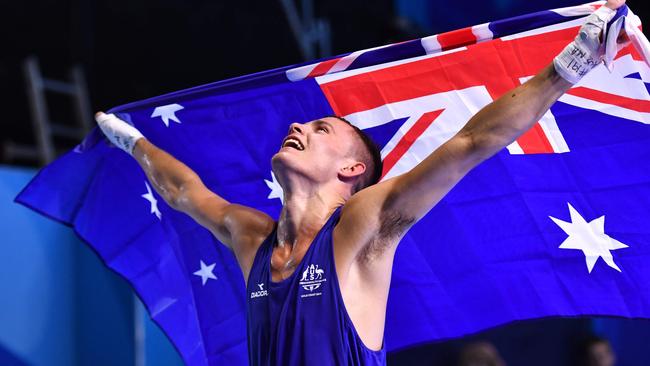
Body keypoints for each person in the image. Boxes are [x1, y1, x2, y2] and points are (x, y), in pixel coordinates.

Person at [95, 1, 628, 364]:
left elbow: (471, 143)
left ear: (352, 171)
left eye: (319, 127)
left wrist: (571, 63)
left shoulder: (364, 227)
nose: (297, 126)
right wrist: (131, 142)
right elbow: (184, 192)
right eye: (303, 124)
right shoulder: (251, 237)